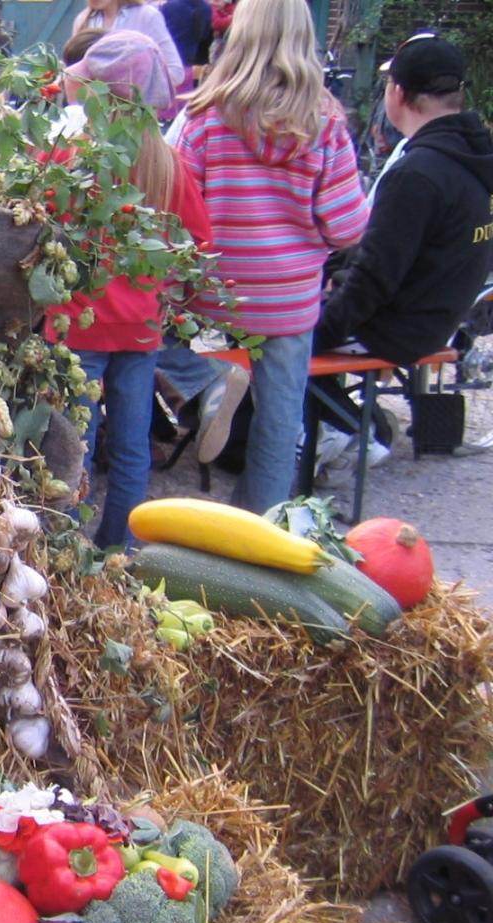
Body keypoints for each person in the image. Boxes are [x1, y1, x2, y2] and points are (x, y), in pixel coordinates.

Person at [172, 0, 368, 513]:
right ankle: (261, 524)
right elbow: (347, 227)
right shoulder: (325, 123)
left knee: (166, 346)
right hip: (287, 303)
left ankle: (211, 385)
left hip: (213, 297)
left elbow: (176, 215)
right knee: (280, 422)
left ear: (239, 35)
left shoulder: (205, 117)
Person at [47, 30, 212, 547]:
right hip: (140, 329)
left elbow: (38, 227)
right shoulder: (168, 164)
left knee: (75, 445)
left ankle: (68, 550)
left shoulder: (71, 159)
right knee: (132, 446)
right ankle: (118, 549)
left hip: (78, 326)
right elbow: (198, 245)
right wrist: (165, 295)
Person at [308, 34, 493, 466]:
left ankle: (348, 432)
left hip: (396, 329)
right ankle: (344, 423)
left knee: (273, 334)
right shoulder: (475, 157)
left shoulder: (417, 174)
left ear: (398, 94)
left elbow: (373, 280)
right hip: (441, 318)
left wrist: (316, 333)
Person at [70, 0, 184, 88]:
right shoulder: (83, 21)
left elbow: (175, 73)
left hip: (135, 109)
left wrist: (136, 90)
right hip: (92, 108)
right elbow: (73, 71)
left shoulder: (145, 16)